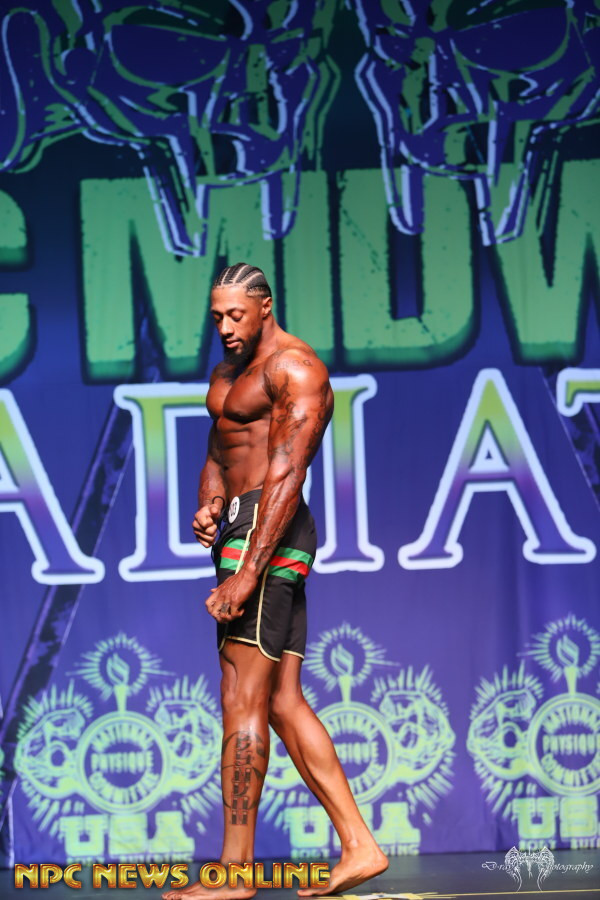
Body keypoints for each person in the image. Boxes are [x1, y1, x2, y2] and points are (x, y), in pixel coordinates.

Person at [163, 263, 388, 900]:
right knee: (282, 700)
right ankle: (360, 846)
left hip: (269, 531)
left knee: (241, 698)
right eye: (217, 316)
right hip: (242, 526)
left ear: (265, 306)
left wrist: (245, 573)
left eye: (236, 314)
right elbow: (220, 448)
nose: (225, 327)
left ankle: (234, 875)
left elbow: (286, 475)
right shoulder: (228, 373)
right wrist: (211, 502)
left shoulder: (296, 369)